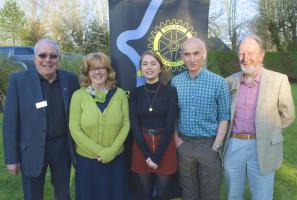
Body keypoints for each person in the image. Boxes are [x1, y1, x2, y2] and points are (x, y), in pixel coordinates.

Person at [2, 38, 80, 200]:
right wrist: (12, 159)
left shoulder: (70, 80)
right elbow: (10, 124)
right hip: (31, 149)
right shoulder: (19, 81)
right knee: (32, 194)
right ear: (34, 58)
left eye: (53, 56)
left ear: (59, 58)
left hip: (62, 148)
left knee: (63, 193)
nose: (47, 60)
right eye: (42, 55)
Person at [223, 34, 295, 200]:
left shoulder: (278, 80)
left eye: (251, 53)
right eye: (241, 53)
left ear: (262, 55)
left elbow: (288, 115)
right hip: (234, 144)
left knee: (262, 195)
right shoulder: (229, 81)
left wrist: (268, 129)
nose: (245, 58)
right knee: (233, 194)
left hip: (263, 144)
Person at [171, 37, 230, 200]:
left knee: (210, 192)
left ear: (204, 54)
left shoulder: (219, 82)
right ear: (182, 57)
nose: (192, 59)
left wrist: (215, 147)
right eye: (187, 54)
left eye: (196, 53)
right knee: (188, 191)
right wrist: (178, 142)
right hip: (185, 144)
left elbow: (224, 117)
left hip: (209, 144)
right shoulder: (176, 82)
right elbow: (172, 116)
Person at [69, 52, 130, 200]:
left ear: (108, 71)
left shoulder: (120, 94)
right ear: (87, 73)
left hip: (115, 160)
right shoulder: (78, 96)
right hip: (88, 162)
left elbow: (126, 124)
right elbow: (75, 130)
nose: (98, 72)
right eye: (93, 69)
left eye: (102, 68)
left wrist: (112, 151)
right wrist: (101, 151)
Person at [129, 51, 178, 200]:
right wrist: (148, 155)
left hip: (165, 145)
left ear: (160, 68)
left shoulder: (170, 91)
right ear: (141, 69)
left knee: (163, 195)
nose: (149, 67)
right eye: (145, 64)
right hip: (141, 146)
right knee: (144, 195)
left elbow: (170, 125)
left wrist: (157, 156)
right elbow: (134, 126)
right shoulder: (135, 93)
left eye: (153, 63)